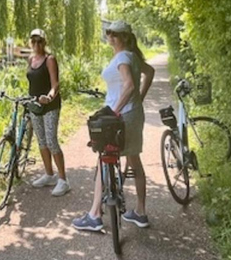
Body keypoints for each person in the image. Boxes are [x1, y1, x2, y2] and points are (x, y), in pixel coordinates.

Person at [72, 20, 155, 231]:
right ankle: (141, 213)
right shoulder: (133, 56)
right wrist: (139, 99)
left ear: (125, 37)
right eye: (109, 33)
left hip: (120, 116)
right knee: (134, 160)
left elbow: (128, 85)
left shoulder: (122, 57)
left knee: (104, 157)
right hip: (134, 114)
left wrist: (114, 111)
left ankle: (94, 214)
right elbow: (150, 72)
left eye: (115, 34)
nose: (111, 36)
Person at [27, 28, 70, 197]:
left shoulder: (49, 59)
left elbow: (55, 84)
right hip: (34, 105)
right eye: (34, 41)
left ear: (45, 42)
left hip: (50, 105)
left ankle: (63, 180)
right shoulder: (30, 59)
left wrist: (50, 96)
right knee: (41, 141)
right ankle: (49, 174)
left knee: (51, 140)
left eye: (40, 41)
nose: (37, 44)